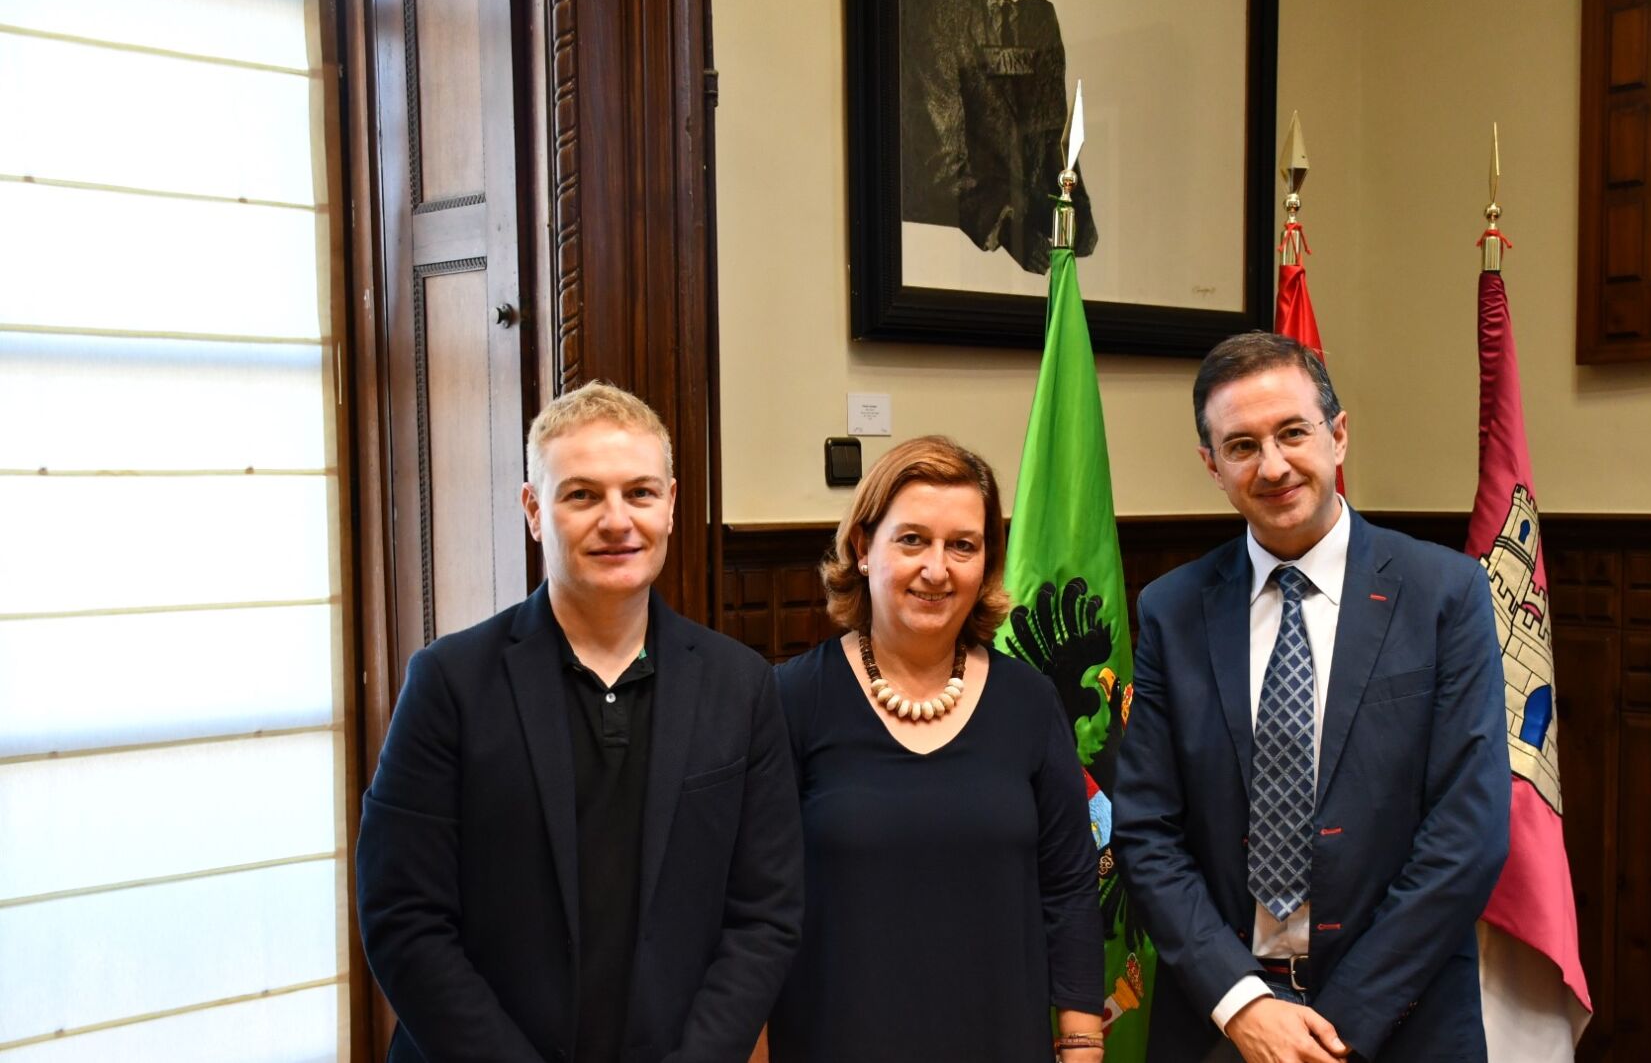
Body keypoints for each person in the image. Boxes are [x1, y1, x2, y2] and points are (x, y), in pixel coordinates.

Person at [357, 381, 802, 1063]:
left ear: (672, 505)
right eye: (582, 495)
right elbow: (402, 916)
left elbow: (765, 914)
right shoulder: (448, 683)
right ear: (535, 511)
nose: (617, 520)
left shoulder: (741, 685)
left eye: (640, 493)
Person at [1116, 333, 1510, 1063]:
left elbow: (1468, 833)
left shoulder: (1444, 595)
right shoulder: (1173, 609)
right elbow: (1146, 831)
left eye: (1292, 432)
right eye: (1241, 446)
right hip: (1224, 1024)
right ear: (1212, 466)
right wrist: (1243, 1004)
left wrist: (1338, 1029)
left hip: (1403, 1022)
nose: (1272, 466)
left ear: (1338, 435)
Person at [767, 435, 1104, 1063]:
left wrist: (1081, 1043)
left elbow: (1069, 888)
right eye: (913, 540)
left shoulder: (1030, 702)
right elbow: (755, 902)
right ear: (863, 548)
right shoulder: (792, 698)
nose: (937, 569)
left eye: (963, 546)